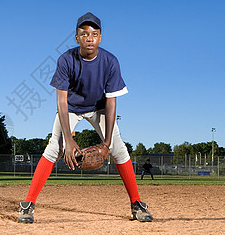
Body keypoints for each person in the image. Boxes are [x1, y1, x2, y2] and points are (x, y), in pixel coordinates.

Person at [17, 12, 153, 223]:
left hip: (99, 108)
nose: (90, 38)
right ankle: (28, 204)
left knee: (119, 148)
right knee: (55, 147)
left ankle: (136, 203)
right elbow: (61, 101)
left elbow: (111, 102)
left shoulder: (110, 62)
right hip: (70, 108)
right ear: (77, 37)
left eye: (94, 34)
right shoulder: (66, 60)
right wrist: (69, 141)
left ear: (101, 37)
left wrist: (106, 143)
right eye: (85, 34)